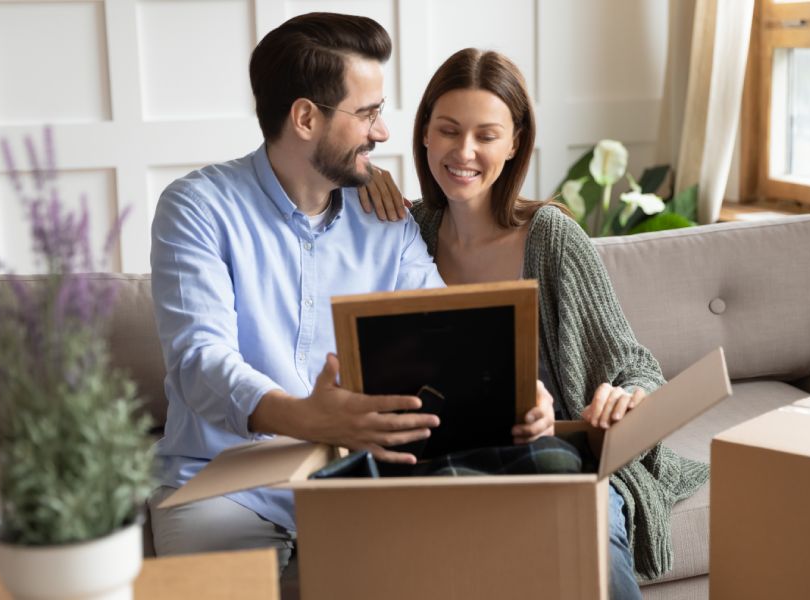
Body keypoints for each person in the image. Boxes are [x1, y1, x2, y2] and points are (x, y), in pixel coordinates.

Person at [147, 16, 556, 573]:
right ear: (305, 118)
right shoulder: (197, 208)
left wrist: (520, 395)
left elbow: (449, 332)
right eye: (367, 114)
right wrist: (305, 417)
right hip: (222, 484)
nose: (383, 132)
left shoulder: (385, 220)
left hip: (354, 482)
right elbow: (200, 362)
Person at [360, 48, 709, 598]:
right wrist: (360, 174)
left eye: (487, 135)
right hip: (448, 459)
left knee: (592, 539)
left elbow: (635, 365)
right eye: (448, 130)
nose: (464, 152)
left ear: (516, 141)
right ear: (424, 131)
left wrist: (628, 396)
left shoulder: (551, 238)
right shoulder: (405, 233)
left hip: (558, 451)